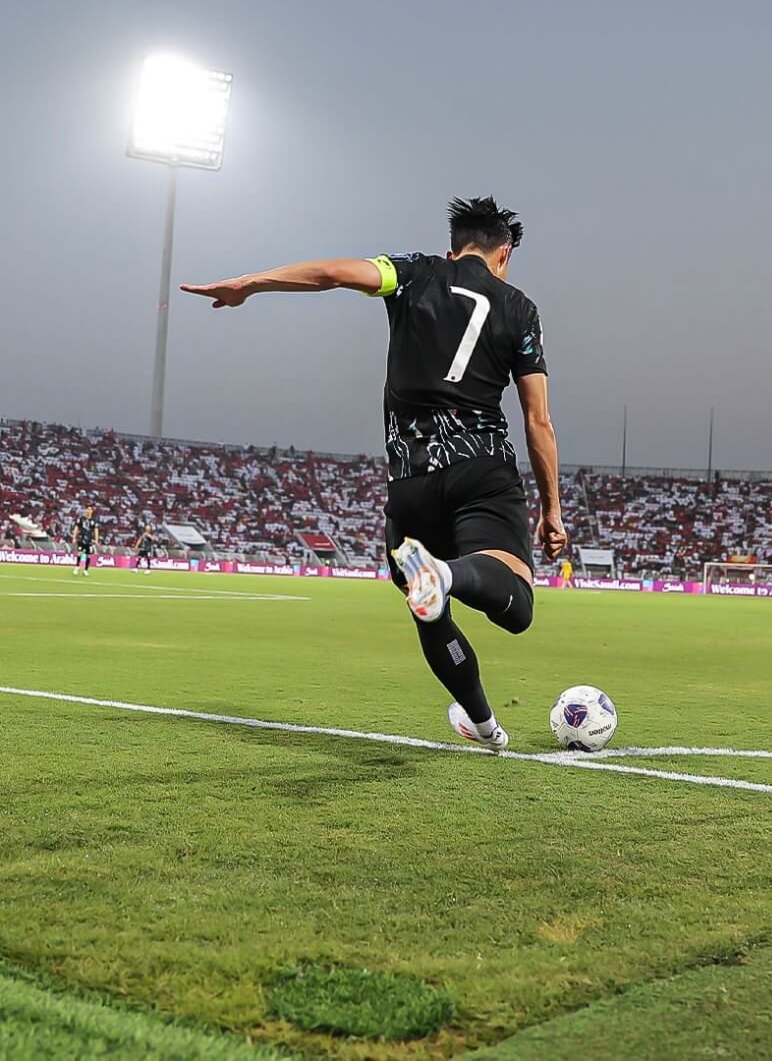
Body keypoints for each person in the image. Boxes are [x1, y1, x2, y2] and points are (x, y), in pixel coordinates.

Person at [182, 196, 566, 750]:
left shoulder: (411, 271)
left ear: (451, 248)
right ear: (503, 255)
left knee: (429, 614)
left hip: (409, 482)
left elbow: (332, 272)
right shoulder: (518, 308)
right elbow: (539, 420)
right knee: (517, 608)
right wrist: (552, 510)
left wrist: (250, 283)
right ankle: (450, 574)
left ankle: (485, 726)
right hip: (481, 469)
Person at [72, 505, 99, 576]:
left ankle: (85, 570)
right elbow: (76, 528)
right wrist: (74, 537)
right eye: (88, 509)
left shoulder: (94, 521)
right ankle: (77, 567)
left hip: (89, 540)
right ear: (86, 510)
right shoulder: (81, 519)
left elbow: (96, 530)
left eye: (90, 509)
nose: (89, 511)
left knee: (89, 555)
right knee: (79, 553)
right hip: (81, 538)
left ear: (92, 511)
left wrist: (96, 540)